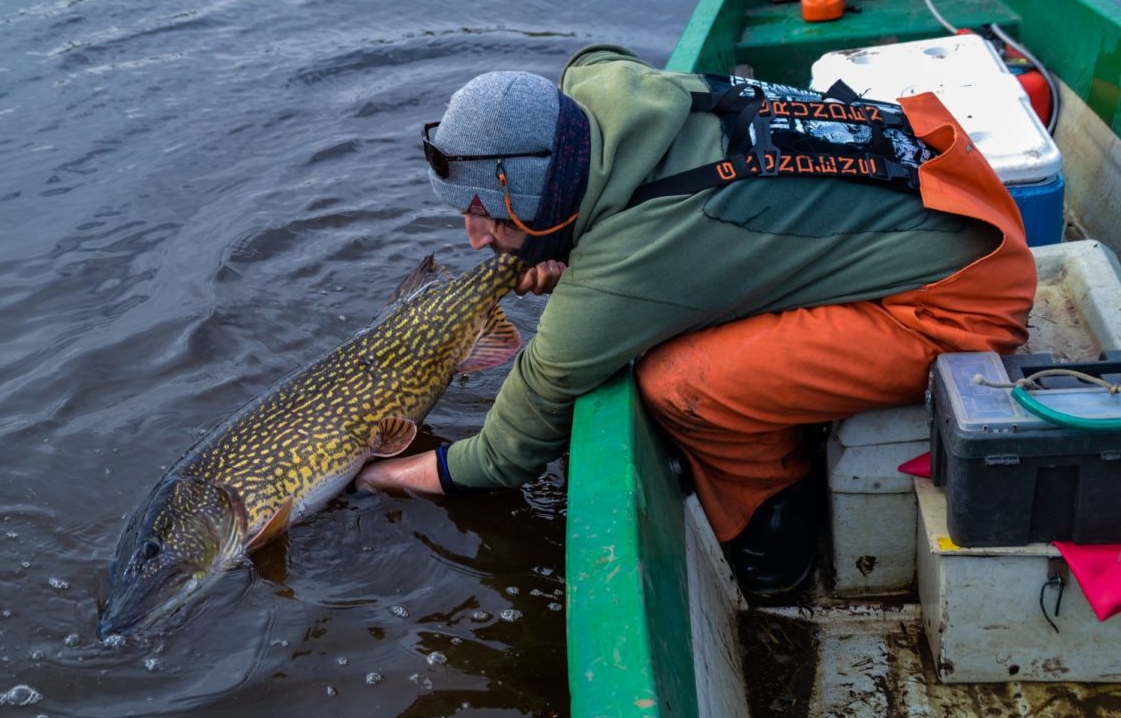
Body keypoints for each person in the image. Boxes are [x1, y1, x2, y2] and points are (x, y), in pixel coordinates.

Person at [356, 43, 1036, 595]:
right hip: (954, 189)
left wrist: (382, 473)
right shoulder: (605, 92)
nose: (475, 238)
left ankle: (777, 555)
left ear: (535, 191)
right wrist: (563, 239)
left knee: (680, 382)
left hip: (964, 297)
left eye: (483, 211)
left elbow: (507, 454)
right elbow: (596, 56)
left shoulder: (631, 263)